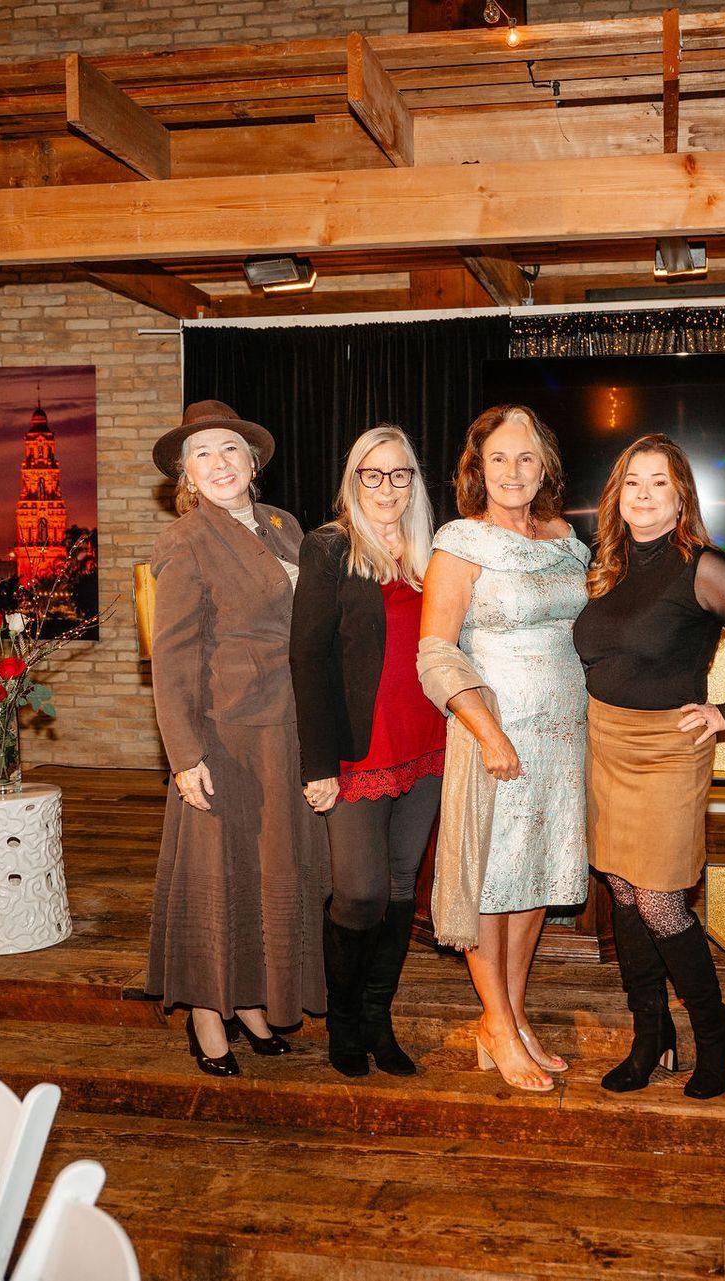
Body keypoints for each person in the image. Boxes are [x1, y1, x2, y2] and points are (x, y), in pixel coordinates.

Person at [572, 433, 725, 1099]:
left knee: (663, 899)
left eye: (658, 483)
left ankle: (712, 1030)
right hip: (604, 742)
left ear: (680, 500)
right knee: (622, 892)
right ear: (618, 494)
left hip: (667, 750)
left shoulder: (700, 565)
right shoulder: (605, 565)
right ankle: (650, 1034)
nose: (643, 494)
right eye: (632, 482)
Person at [146, 399, 329, 1078]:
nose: (219, 463)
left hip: (286, 731)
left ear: (252, 464)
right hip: (222, 735)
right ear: (187, 477)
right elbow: (171, 658)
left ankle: (251, 1000)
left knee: (268, 872)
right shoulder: (186, 541)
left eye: (230, 450)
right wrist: (184, 755)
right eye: (203, 454)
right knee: (216, 877)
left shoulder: (284, 527)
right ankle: (204, 1011)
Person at [418, 404, 589, 1094]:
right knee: (493, 882)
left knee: (536, 882)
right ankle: (494, 1018)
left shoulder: (567, 540)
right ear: (477, 468)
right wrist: (488, 731)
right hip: (499, 735)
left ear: (544, 463)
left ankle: (511, 1016)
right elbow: (434, 651)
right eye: (498, 458)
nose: (513, 471)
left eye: (525, 457)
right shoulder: (461, 541)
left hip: (564, 738)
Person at [290, 425, 446, 1078]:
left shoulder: (436, 553)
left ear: (415, 480)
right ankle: (344, 1019)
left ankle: (379, 1017)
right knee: (359, 892)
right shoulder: (328, 548)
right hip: (359, 750)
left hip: (430, 745)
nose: (387, 487)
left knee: (402, 887)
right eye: (372, 474)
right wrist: (318, 765)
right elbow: (307, 658)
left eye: (399, 473)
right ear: (353, 481)